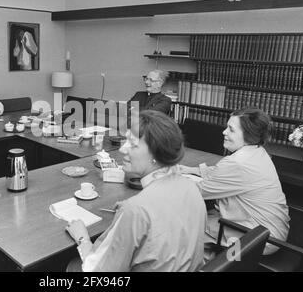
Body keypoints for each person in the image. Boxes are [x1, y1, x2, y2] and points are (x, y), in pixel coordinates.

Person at [65, 110, 206, 272]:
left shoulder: (135, 209)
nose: (122, 149)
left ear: (156, 153)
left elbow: (98, 270)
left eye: (132, 144)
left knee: (73, 266)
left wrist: (82, 238)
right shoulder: (191, 187)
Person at [180, 107, 290, 255]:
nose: (224, 132)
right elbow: (223, 174)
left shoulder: (238, 163)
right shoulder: (257, 152)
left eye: (231, 129)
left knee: (183, 228)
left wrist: (167, 178)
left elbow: (196, 192)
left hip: (255, 240)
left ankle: (214, 263)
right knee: (201, 217)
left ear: (248, 136)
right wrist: (191, 170)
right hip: (270, 232)